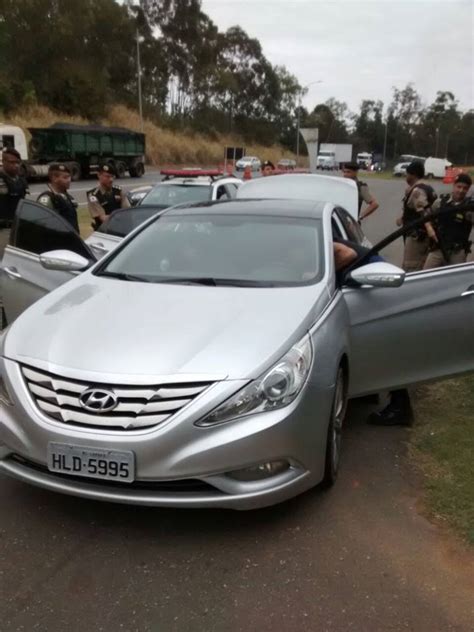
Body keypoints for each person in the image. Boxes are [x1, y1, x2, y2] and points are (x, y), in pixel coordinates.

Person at [423, 173, 473, 269]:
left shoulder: (469, 207)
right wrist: (429, 228)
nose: (461, 190)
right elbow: (426, 216)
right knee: (425, 276)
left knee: (456, 280)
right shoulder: (441, 202)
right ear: (453, 185)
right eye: (459, 187)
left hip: (457, 252)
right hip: (438, 248)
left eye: (465, 188)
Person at [396, 160, 437, 272]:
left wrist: (429, 229)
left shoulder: (417, 190)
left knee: (411, 266)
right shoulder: (427, 187)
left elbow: (423, 211)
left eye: (407, 173)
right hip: (419, 233)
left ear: (413, 174)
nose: (406, 176)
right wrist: (402, 218)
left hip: (417, 235)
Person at [0, 148, 29, 259]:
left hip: (18, 227)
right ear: (3, 162)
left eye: (17, 162)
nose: (16, 165)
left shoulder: (20, 180)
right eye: (12, 162)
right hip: (3, 229)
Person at [37, 164, 79, 232]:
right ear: (54, 178)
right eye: (65, 177)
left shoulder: (68, 197)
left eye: (69, 177)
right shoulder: (48, 198)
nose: (69, 180)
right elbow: (43, 224)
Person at [87, 164, 129, 230]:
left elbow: (127, 211)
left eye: (112, 176)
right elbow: (103, 218)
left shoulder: (118, 191)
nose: (111, 179)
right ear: (99, 175)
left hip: (121, 229)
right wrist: (120, 217)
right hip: (105, 231)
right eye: (107, 177)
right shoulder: (93, 195)